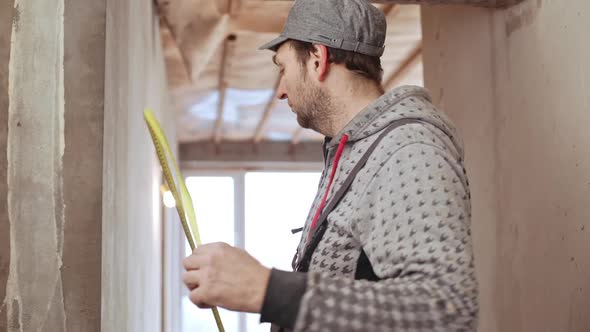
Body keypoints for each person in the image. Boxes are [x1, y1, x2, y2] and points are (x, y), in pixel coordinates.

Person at [182, 0, 479, 331]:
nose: (280, 91)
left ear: (317, 60)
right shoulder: (353, 149)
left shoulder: (408, 149)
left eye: (282, 68)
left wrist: (265, 289)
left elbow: (447, 311)